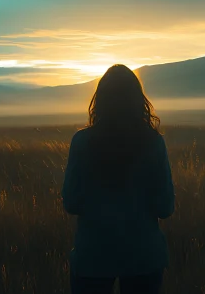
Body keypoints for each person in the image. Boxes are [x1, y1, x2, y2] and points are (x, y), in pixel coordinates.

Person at [62, 64, 175, 294]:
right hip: (144, 257)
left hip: (92, 257)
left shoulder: (82, 142)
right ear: (138, 100)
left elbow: (71, 203)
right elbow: (165, 207)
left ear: (100, 99)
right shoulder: (153, 143)